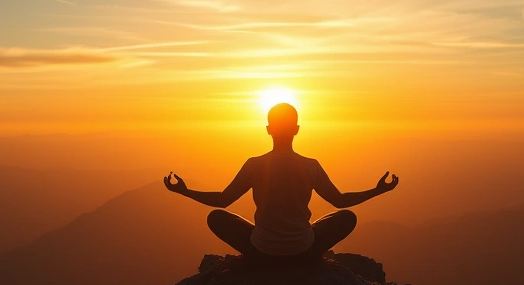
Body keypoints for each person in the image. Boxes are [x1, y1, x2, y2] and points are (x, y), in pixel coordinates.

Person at [164, 102, 398, 263]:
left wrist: (184, 191)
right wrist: (379, 190)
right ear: (296, 130)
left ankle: (260, 260)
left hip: (261, 252)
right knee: (347, 217)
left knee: (215, 217)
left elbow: (223, 201)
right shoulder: (310, 165)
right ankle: (304, 258)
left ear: (268, 130)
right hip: (303, 252)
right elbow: (340, 201)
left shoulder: (254, 165)